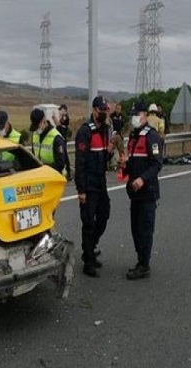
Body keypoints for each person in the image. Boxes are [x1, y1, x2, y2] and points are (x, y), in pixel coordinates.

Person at [75, 96, 114, 277]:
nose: (104, 113)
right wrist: (81, 190)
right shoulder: (85, 132)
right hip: (88, 186)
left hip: (101, 183)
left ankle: (89, 249)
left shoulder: (105, 130)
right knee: (88, 223)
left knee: (104, 216)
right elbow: (80, 163)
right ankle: (88, 261)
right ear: (94, 110)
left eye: (106, 110)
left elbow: (103, 158)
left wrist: (110, 153)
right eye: (101, 110)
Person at [124, 101, 163, 280]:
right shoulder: (133, 137)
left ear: (145, 115)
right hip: (135, 193)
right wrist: (125, 167)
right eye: (133, 114)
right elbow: (133, 162)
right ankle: (141, 260)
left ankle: (144, 265)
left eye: (137, 114)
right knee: (135, 229)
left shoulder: (151, 136)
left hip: (148, 192)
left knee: (145, 229)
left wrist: (142, 179)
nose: (134, 117)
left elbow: (156, 164)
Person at [29, 108, 66, 175]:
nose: (36, 130)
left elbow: (60, 164)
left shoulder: (56, 137)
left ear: (44, 121)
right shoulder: (35, 135)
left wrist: (42, 166)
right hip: (41, 176)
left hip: (55, 178)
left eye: (38, 126)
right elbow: (34, 156)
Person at [53, 104, 73, 180]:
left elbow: (58, 124)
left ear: (65, 110)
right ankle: (65, 172)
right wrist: (54, 118)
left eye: (62, 110)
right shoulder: (62, 117)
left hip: (63, 139)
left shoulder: (65, 117)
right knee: (62, 156)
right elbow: (58, 125)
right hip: (60, 138)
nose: (60, 112)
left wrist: (55, 117)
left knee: (65, 157)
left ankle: (68, 173)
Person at [110, 102, 126, 169]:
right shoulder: (112, 116)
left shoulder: (122, 116)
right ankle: (109, 164)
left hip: (119, 136)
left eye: (119, 109)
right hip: (113, 135)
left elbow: (123, 126)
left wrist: (122, 134)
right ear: (115, 108)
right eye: (117, 108)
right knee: (110, 150)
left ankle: (122, 164)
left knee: (121, 151)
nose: (118, 110)